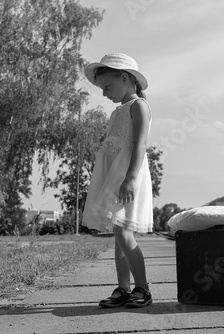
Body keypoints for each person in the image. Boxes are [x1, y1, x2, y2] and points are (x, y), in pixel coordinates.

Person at [83, 53, 153, 308]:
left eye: (107, 87)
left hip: (128, 176)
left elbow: (140, 144)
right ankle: (123, 288)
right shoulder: (117, 112)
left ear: (125, 78)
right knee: (118, 231)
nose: (103, 94)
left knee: (124, 230)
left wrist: (131, 178)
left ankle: (142, 288)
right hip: (115, 175)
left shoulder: (138, 106)